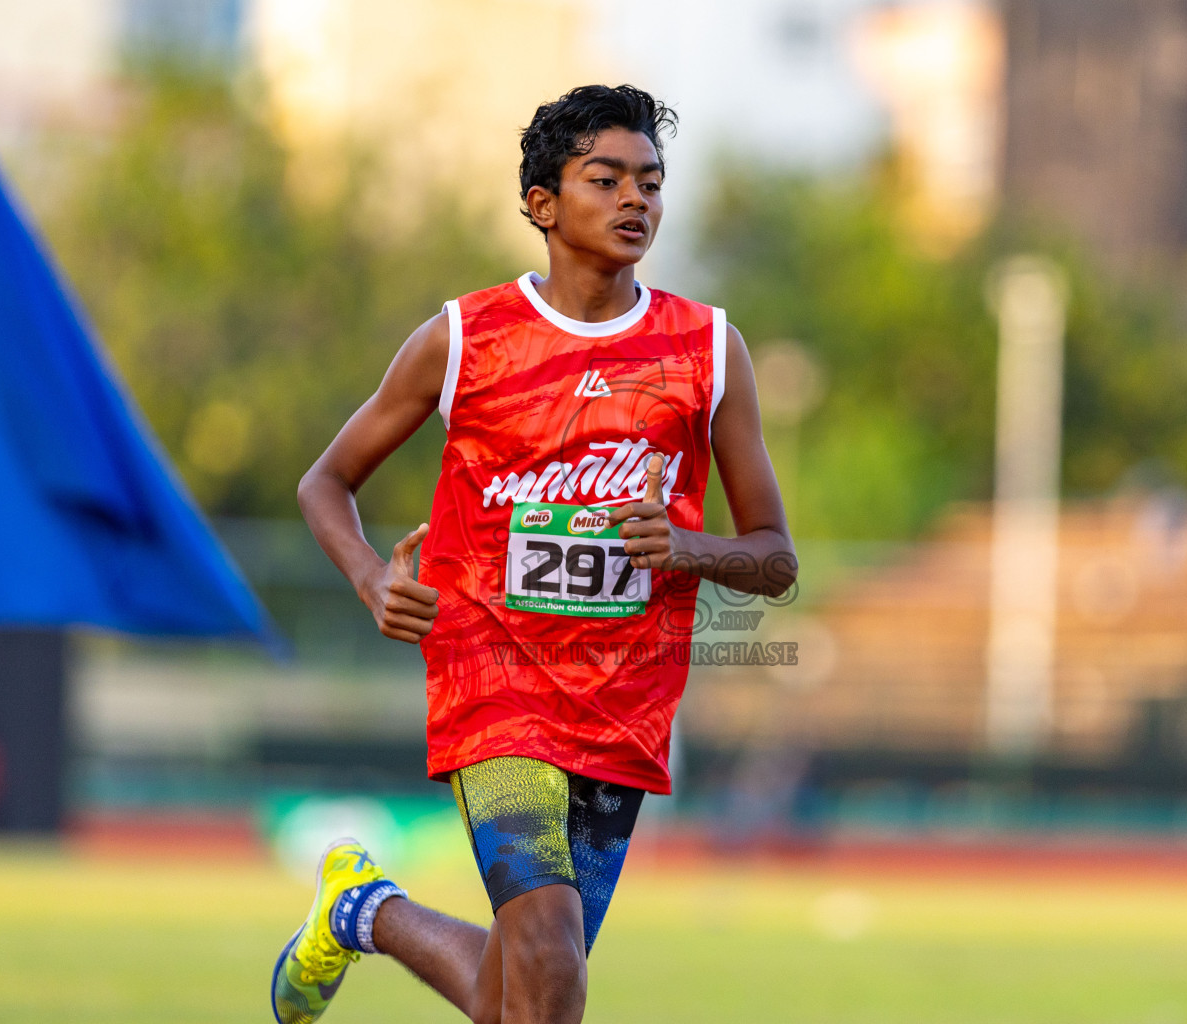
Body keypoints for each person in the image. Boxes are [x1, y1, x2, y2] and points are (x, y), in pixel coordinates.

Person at [272, 83, 796, 1024]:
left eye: (652, 182)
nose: (637, 200)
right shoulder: (465, 339)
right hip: (492, 683)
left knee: (519, 994)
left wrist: (688, 547)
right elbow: (326, 481)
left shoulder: (709, 349)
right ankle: (367, 911)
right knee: (551, 961)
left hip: (625, 704)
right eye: (607, 180)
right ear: (543, 205)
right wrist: (367, 578)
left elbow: (777, 559)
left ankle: (365, 911)